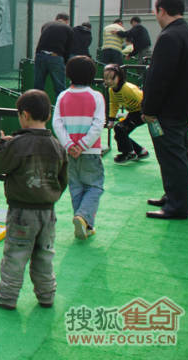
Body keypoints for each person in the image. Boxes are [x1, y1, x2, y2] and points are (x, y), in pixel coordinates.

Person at [0, 89, 68, 310]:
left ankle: (7, 297)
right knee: (44, 255)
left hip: (21, 211)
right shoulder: (57, 145)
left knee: (15, 255)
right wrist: (50, 196)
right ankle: (47, 295)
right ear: (48, 115)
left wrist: (1, 144)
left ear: (25, 115)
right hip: (48, 212)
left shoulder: (17, 143)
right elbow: (63, 179)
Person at [141, 0, 188, 220]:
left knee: (172, 157)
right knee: (178, 154)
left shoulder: (169, 37)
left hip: (168, 109)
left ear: (162, 11)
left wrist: (149, 109)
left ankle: (177, 205)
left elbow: (160, 78)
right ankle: (173, 196)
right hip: (185, 107)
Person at [52, 56, 105, 240]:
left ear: (68, 74)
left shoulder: (62, 96)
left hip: (69, 152)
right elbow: (98, 125)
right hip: (90, 151)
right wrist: (82, 145)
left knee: (76, 187)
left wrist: (69, 145)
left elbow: (57, 123)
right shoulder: (96, 96)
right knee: (94, 187)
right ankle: (83, 218)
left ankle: (84, 224)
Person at [102, 64, 149, 163]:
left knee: (119, 128)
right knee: (120, 134)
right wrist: (111, 119)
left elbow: (143, 99)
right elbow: (114, 104)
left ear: (119, 77)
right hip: (133, 113)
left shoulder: (128, 89)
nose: (108, 81)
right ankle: (140, 151)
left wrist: (147, 114)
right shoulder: (111, 90)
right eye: (106, 78)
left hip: (142, 112)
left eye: (112, 78)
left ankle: (129, 153)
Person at [34, 13, 73, 97]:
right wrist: (65, 62)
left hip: (40, 55)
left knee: (38, 86)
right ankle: (61, 104)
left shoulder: (46, 25)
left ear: (56, 19)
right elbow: (68, 48)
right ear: (67, 21)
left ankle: (36, 104)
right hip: (55, 57)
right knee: (60, 87)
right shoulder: (68, 29)